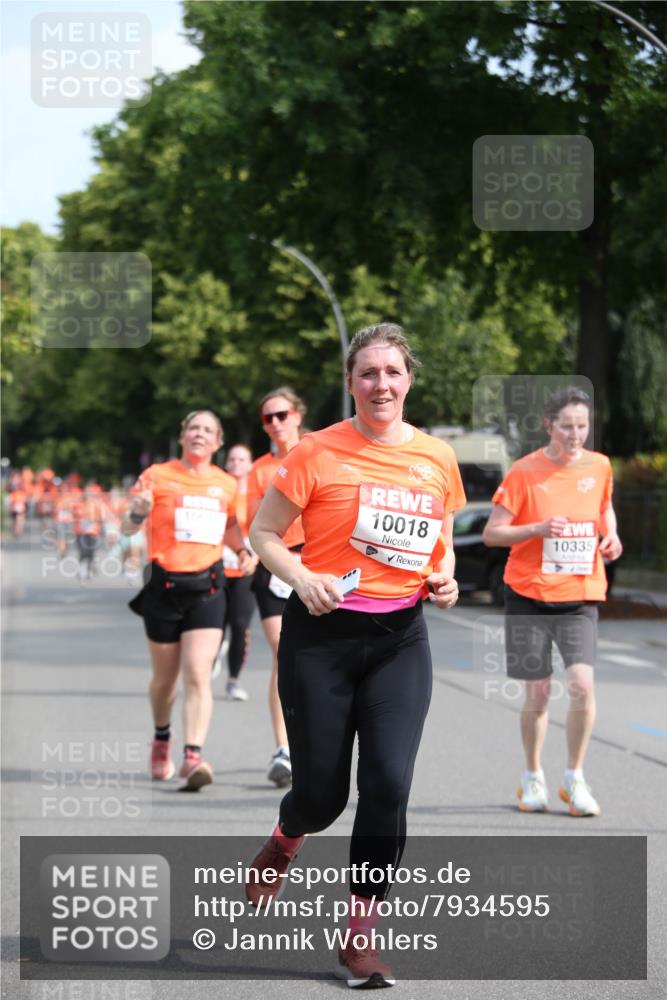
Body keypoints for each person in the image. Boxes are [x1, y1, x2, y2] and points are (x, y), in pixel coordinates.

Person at [245, 324, 466, 988]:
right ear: (350, 383)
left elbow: (441, 546)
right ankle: (286, 838)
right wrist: (300, 576)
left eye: (392, 372)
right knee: (320, 798)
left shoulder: (436, 457)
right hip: (322, 637)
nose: (381, 384)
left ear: (409, 380)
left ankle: (359, 934)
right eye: (368, 373)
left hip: (401, 638)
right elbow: (263, 533)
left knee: (390, 786)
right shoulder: (315, 451)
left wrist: (446, 577)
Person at [482, 386, 623, 818]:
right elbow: (492, 533)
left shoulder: (599, 466)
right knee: (539, 692)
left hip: (580, 595)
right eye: (567, 427)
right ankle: (532, 775)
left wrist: (612, 535)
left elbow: (604, 508)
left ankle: (574, 778)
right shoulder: (525, 471)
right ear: (548, 426)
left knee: (582, 685)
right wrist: (538, 528)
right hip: (529, 594)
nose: (576, 435)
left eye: (582, 426)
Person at [123, 410, 253, 790]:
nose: (200, 434)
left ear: (218, 442)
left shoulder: (225, 483)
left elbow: (231, 526)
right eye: (193, 428)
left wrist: (242, 550)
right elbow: (127, 526)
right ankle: (162, 737)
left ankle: (193, 756)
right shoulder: (157, 476)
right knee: (165, 681)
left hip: (207, 589)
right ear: (182, 436)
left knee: (198, 672)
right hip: (163, 589)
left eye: (208, 430)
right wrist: (137, 512)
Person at [246, 388, 307, 787]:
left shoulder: (321, 453)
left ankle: (316, 741)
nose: (275, 423)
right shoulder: (259, 470)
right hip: (276, 563)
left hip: (319, 561)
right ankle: (283, 748)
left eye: (281, 414)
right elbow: (256, 524)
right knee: (283, 652)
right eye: (267, 418)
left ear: (297, 415)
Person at [216, 444, 258, 700]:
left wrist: (256, 557)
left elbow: (267, 529)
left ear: (250, 464)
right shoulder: (217, 492)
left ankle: (233, 680)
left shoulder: (257, 495)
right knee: (216, 624)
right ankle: (209, 660)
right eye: (232, 459)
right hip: (218, 566)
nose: (236, 463)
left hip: (246, 568)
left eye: (242, 459)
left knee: (240, 625)